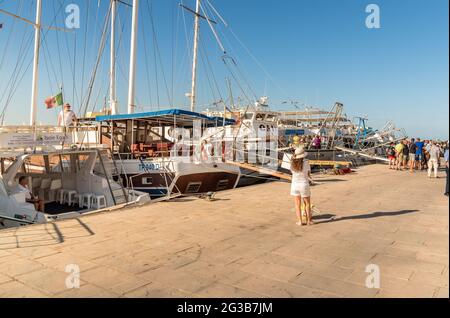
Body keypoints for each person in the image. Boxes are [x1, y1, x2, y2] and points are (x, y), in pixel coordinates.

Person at [290, 147, 313, 226]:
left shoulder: (292, 164)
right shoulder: (306, 163)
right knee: (307, 203)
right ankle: (309, 221)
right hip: (304, 184)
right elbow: (309, 174)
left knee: (297, 204)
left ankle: (300, 221)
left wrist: (293, 158)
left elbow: (292, 172)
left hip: (295, 185)